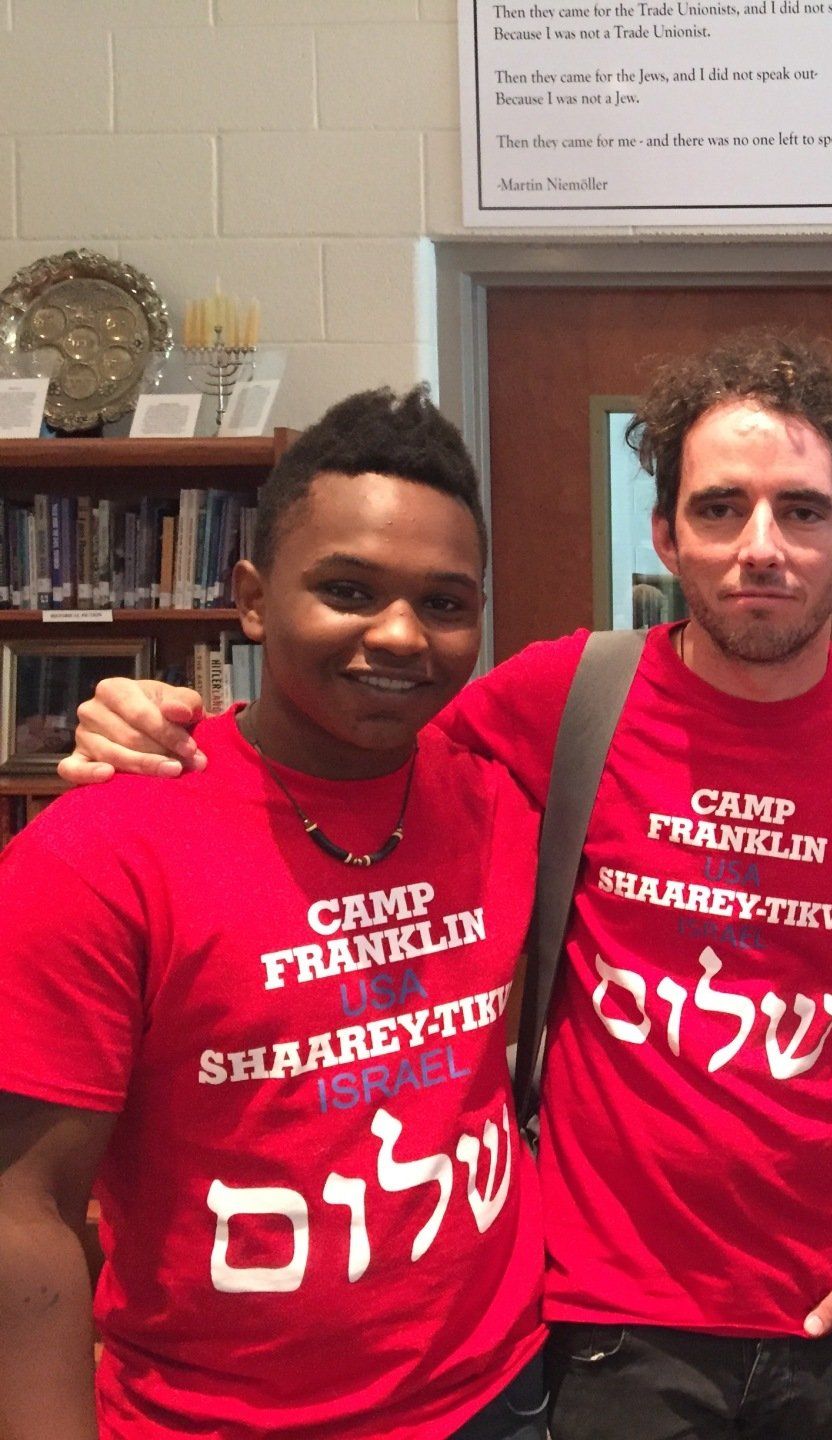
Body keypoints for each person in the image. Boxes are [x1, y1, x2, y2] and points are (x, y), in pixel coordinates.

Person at [59, 332, 832, 1440]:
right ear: (666, 534)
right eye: (720, 508)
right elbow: (346, 729)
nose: (761, 547)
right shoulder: (565, 698)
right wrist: (164, 724)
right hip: (606, 1308)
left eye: (803, 511)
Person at [0, 387, 548, 1439]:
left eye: (444, 603)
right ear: (252, 599)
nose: (401, 634)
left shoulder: (503, 804)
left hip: (500, 1395)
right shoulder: (99, 853)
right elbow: (25, 1212)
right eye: (347, 589)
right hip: (219, 1419)